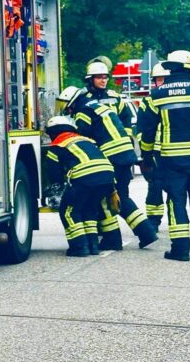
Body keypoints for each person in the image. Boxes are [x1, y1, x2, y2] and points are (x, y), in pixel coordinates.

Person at [139, 49, 190, 261]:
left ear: (169, 68)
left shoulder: (156, 96)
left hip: (170, 158)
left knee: (176, 201)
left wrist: (147, 159)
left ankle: (180, 249)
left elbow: (147, 132)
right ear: (189, 68)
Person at [58, 86, 158, 249]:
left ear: (72, 103)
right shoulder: (96, 106)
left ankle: (116, 239)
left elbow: (83, 139)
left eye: (68, 108)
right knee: (120, 196)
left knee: (107, 198)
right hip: (125, 154)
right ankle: (144, 233)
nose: (69, 111)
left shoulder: (83, 112)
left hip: (112, 156)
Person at [46, 116, 117, 257]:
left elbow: (53, 172)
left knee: (68, 212)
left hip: (85, 178)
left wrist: (57, 189)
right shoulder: (86, 140)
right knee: (89, 210)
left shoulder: (57, 146)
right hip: (107, 176)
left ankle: (79, 247)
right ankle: (93, 246)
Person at [142, 62, 170, 229]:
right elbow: (142, 128)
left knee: (174, 186)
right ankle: (153, 221)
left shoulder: (175, 99)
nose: (162, 84)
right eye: (159, 80)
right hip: (155, 151)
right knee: (154, 186)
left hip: (173, 151)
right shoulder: (148, 102)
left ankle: (176, 220)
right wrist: (146, 151)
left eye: (165, 80)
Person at [83, 57, 135, 135]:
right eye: (99, 77)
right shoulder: (83, 98)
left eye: (105, 77)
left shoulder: (115, 97)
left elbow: (126, 119)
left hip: (118, 143)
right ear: (90, 79)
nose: (103, 81)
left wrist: (128, 136)